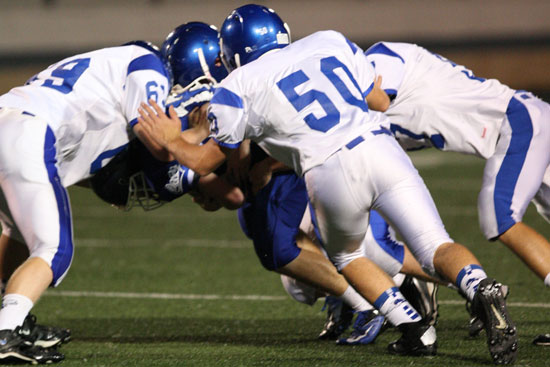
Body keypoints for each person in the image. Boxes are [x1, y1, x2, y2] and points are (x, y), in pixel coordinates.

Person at [136, 4, 517, 364]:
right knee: (437, 244)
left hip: (328, 171)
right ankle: (481, 287)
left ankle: (414, 329)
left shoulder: (235, 87)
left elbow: (207, 161)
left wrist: (170, 139)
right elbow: (380, 101)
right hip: (380, 149)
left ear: (230, 54)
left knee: (348, 257)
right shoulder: (330, 39)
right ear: (281, 33)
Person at [364, 41, 550, 345]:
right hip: (524, 123)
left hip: (520, 121)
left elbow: (380, 100)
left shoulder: (378, 59)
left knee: (498, 213)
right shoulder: (365, 120)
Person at [0, 40, 172, 364]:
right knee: (53, 248)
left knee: (19, 234)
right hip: (29, 131)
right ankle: (6, 332)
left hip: (11, 121)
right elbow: (156, 139)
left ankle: (13, 322)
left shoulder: (89, 75)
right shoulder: (148, 63)